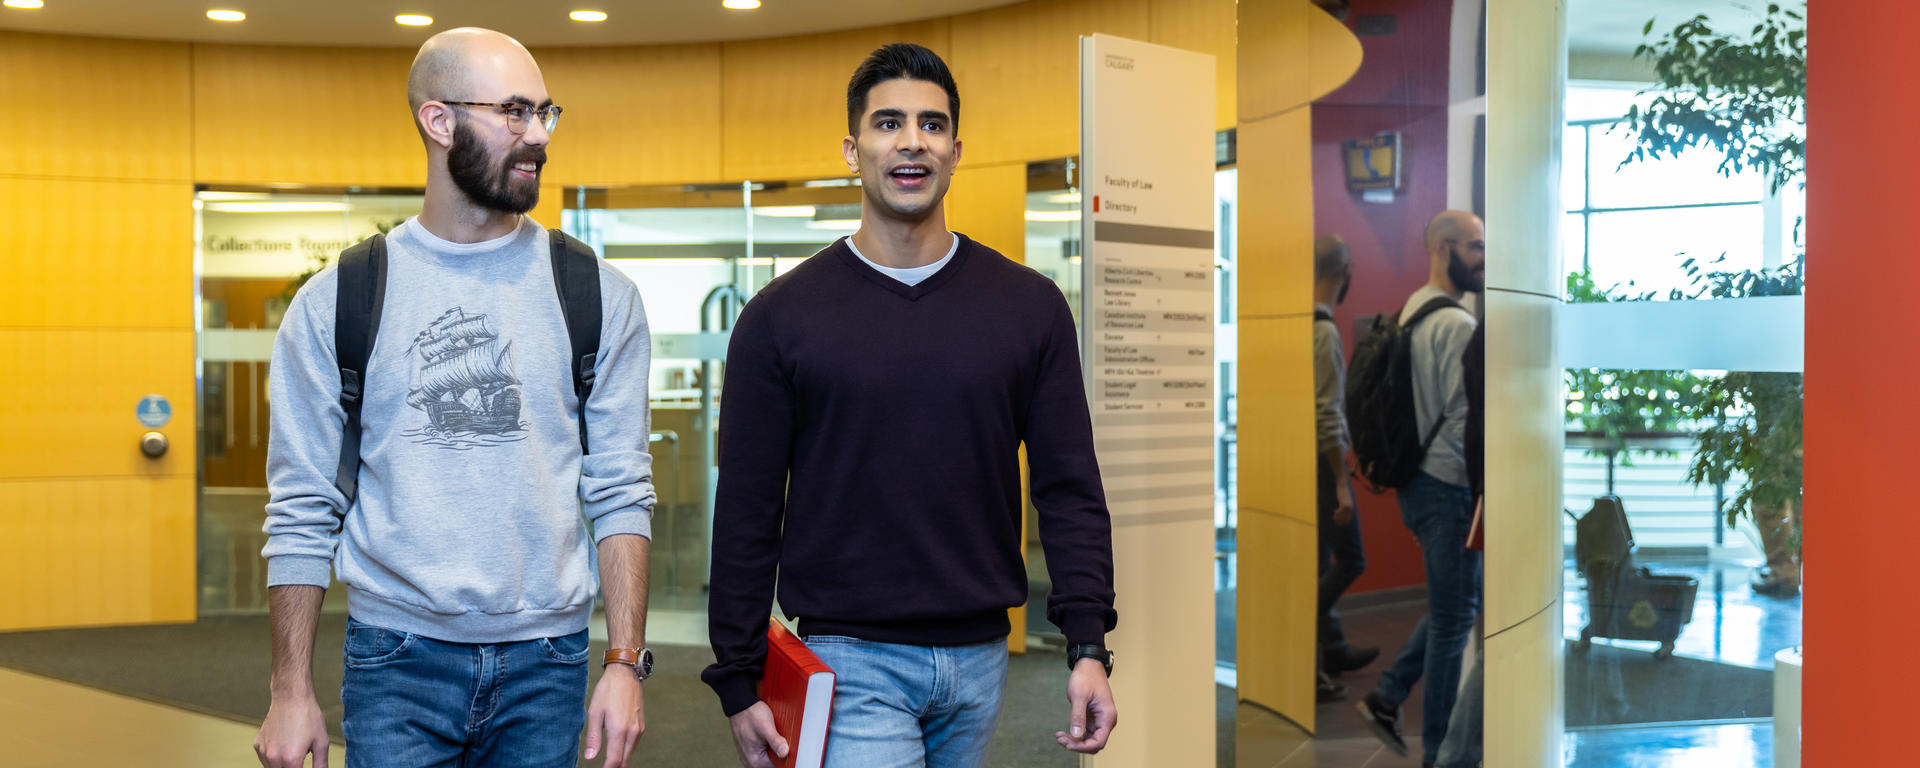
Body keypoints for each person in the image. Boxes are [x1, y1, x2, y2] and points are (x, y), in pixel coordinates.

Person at [703, 42, 1120, 768]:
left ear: (956, 151)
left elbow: (1070, 487)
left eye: (931, 125)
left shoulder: (1029, 307)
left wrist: (1088, 645)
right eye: (888, 122)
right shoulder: (781, 317)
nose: (911, 141)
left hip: (983, 660)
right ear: (852, 148)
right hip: (847, 655)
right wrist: (738, 677)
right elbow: (747, 506)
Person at [253, 27, 656, 768]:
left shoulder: (597, 295)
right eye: (512, 112)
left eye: (544, 113)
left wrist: (624, 663)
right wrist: (289, 690)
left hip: (550, 661)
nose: (536, 135)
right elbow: (302, 507)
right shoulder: (338, 300)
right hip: (394, 660)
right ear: (438, 122)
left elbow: (621, 490)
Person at [1356, 210, 1484, 768]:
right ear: (1443, 249)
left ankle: (1386, 695)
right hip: (1445, 487)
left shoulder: (1411, 308)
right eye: (1476, 247)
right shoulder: (1458, 325)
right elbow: (1463, 418)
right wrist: (1472, 488)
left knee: (1451, 603)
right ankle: (1437, 752)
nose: (1484, 258)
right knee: (1455, 620)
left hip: (1413, 482)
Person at [1311, 235, 1379, 704]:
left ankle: (1329, 650)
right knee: (1351, 559)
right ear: (1346, 270)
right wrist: (1341, 483)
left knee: (1317, 562)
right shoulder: (1325, 331)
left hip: (1301, 463)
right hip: (1321, 466)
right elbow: (1327, 415)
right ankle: (1305, 631)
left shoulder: (1299, 324)